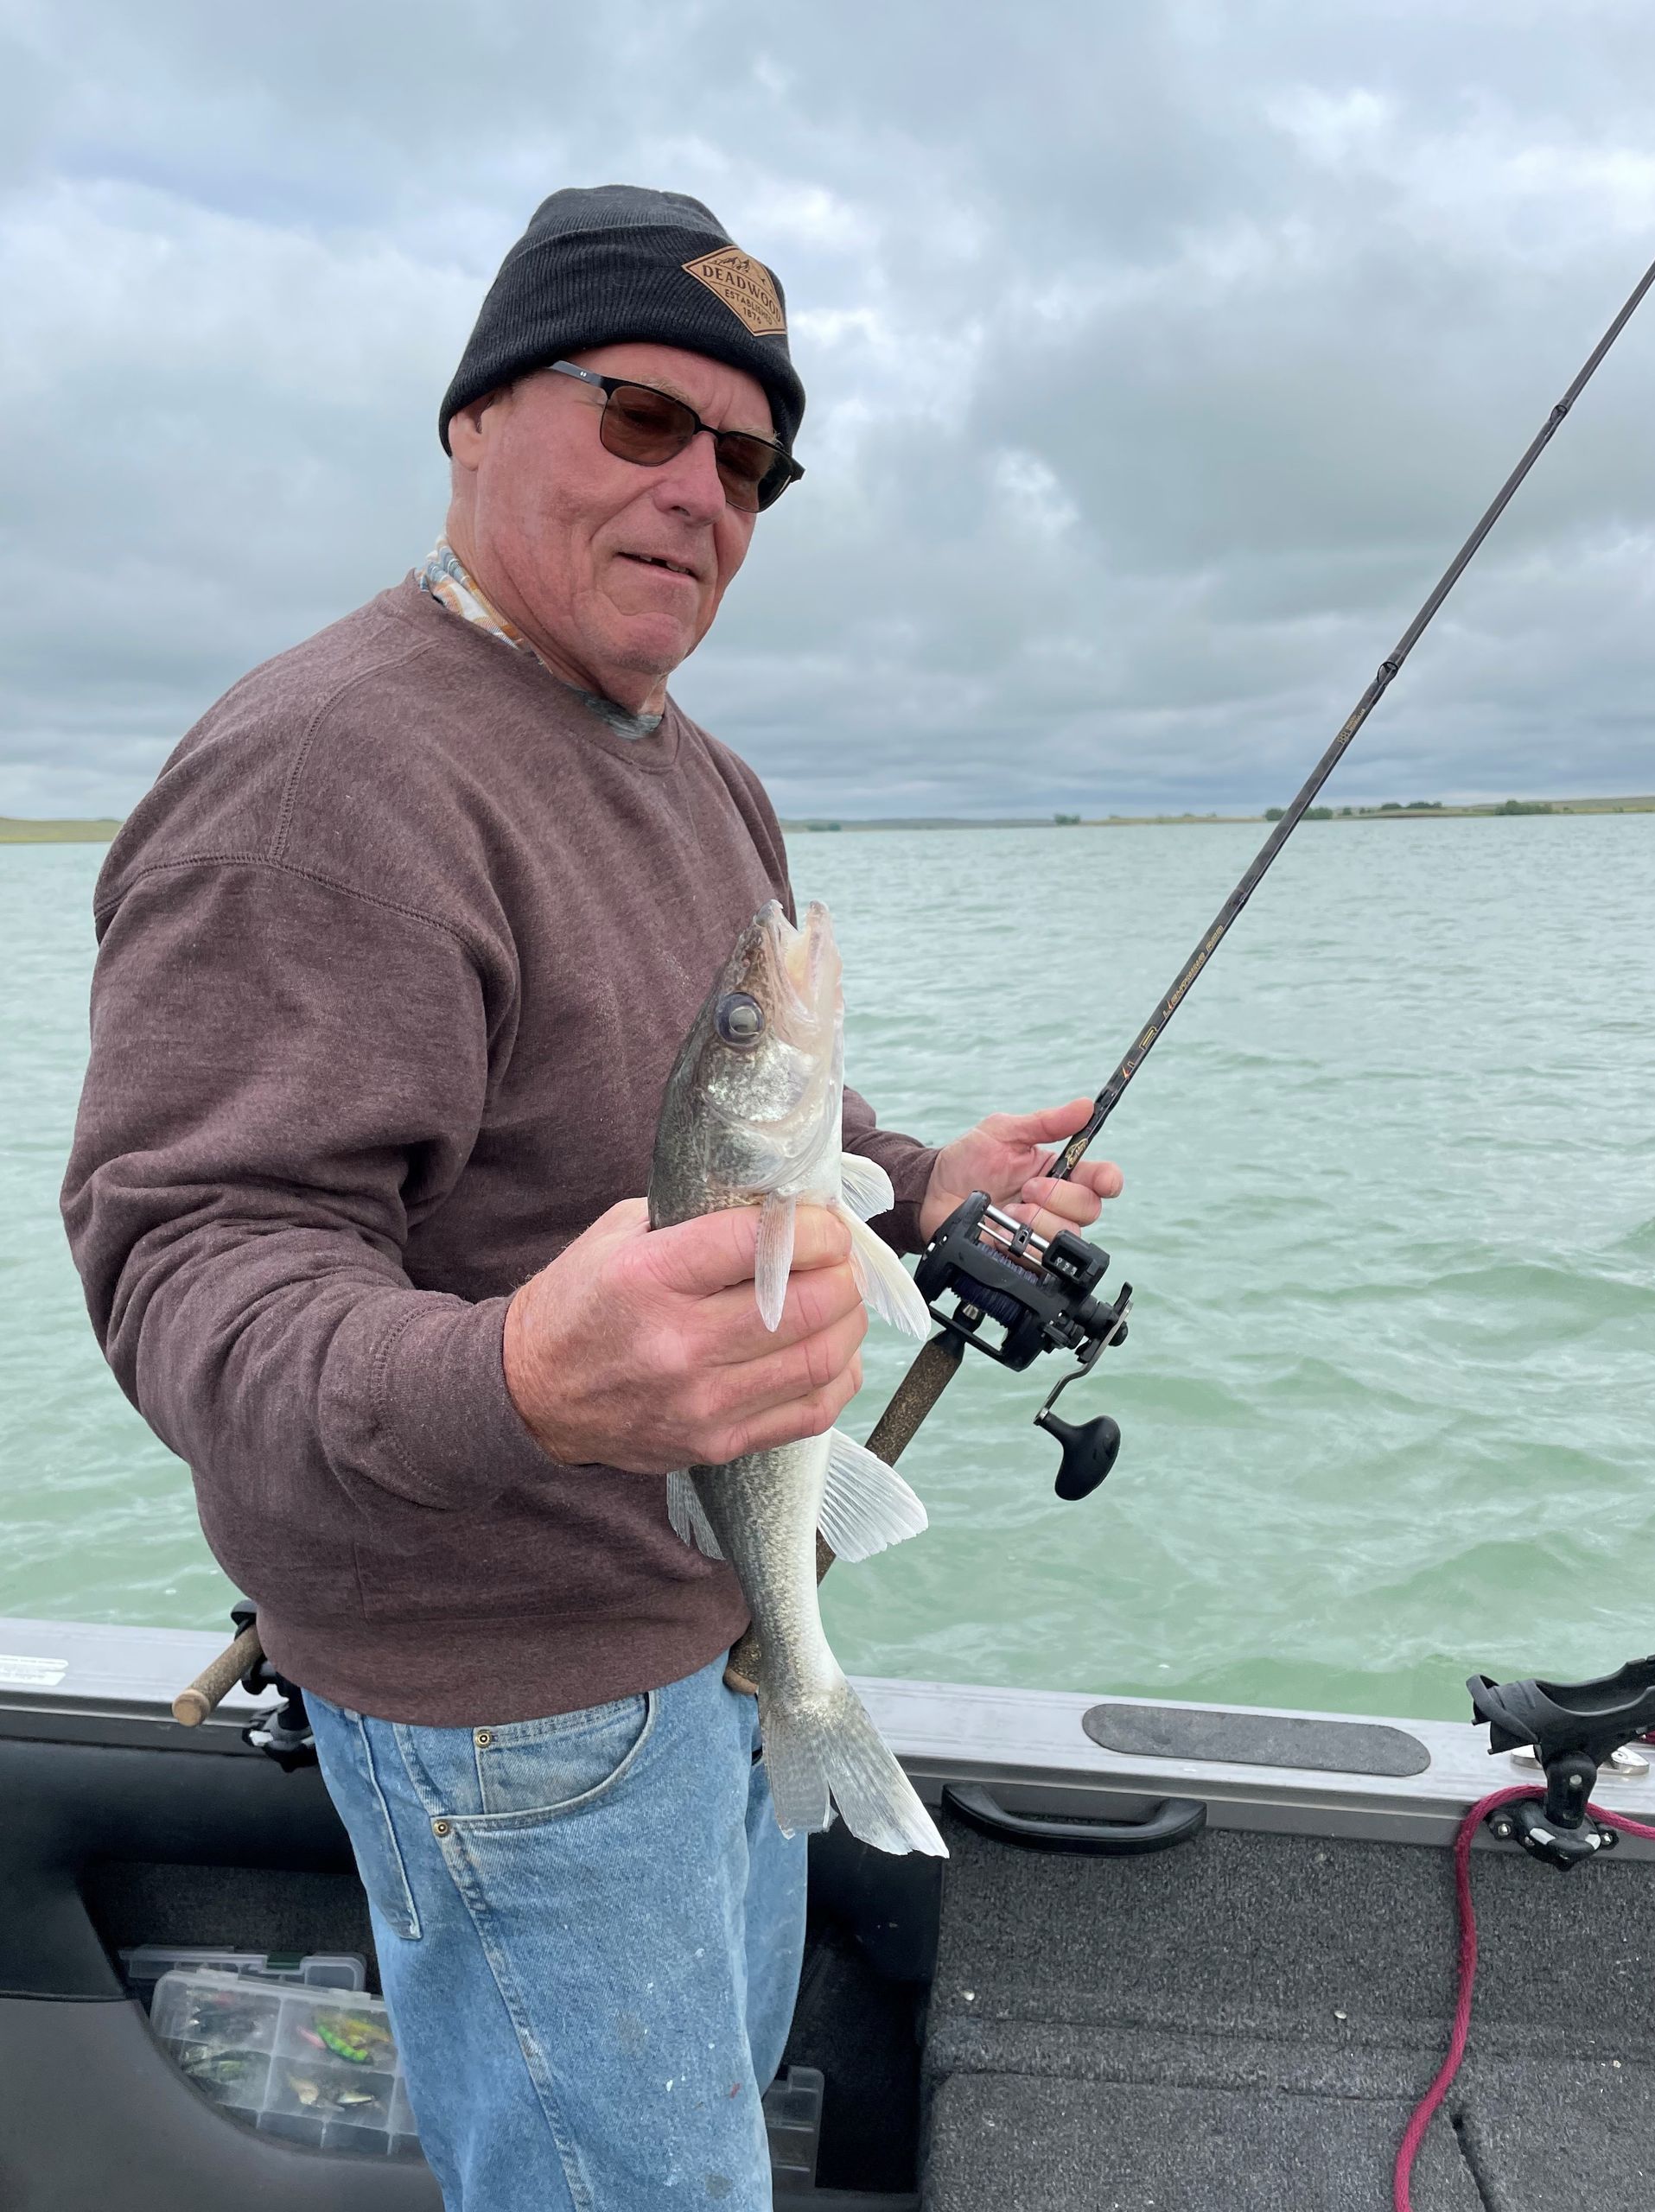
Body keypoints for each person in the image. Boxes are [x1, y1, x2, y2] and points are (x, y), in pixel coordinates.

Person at [61, 185, 1122, 2210]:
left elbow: (739, 1105)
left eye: (751, 463)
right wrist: (521, 1385)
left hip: (716, 1633)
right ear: (474, 416)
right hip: (512, 1712)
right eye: (644, 420)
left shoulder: (691, 767)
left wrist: (918, 1180)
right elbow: (187, 1276)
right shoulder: (324, 774)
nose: (702, 495)